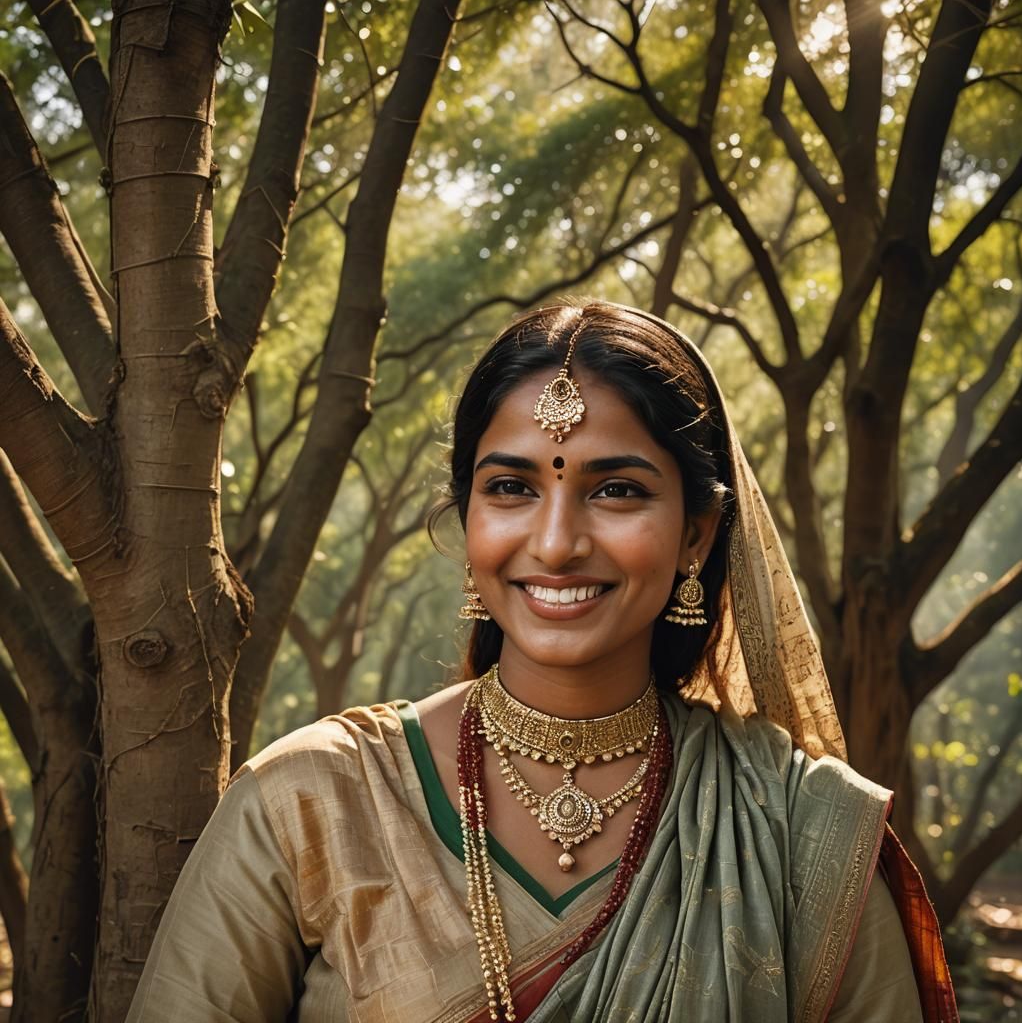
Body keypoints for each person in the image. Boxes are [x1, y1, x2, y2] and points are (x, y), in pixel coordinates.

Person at [127, 300, 958, 1022]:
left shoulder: (794, 828)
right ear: (469, 520)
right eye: (512, 488)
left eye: (616, 489)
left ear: (697, 536)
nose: (556, 544)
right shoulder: (312, 802)